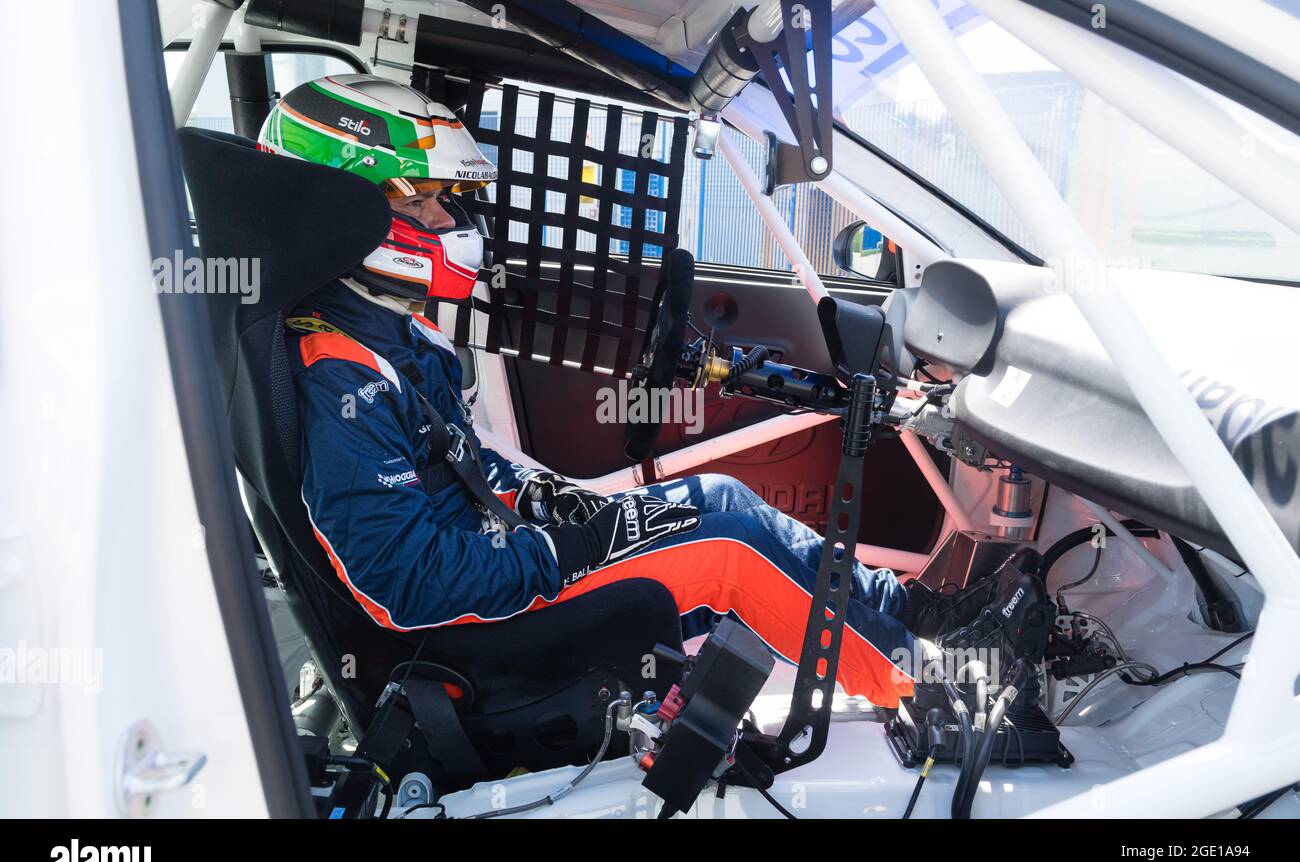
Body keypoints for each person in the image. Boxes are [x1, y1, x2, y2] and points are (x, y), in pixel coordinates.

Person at [261, 75, 996, 709]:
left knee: (720, 498)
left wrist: (549, 498)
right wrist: (561, 552)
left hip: (508, 558)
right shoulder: (340, 374)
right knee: (729, 551)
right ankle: (933, 691)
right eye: (421, 202)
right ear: (344, 210)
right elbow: (403, 583)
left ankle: (920, 613)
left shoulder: (396, 332)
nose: (448, 220)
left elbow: (468, 462)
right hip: (482, 621)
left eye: (444, 201)